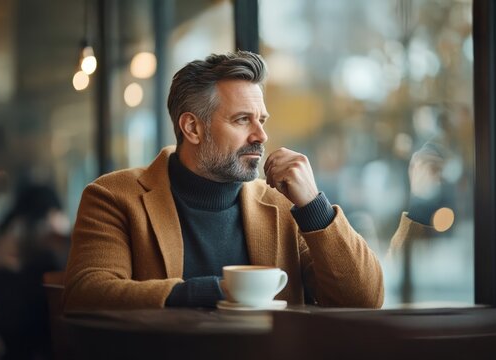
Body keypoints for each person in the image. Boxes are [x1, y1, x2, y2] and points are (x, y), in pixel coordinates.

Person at [63, 51, 383, 311]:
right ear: (192, 128)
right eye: (242, 119)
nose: (261, 136)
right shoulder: (113, 196)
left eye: (261, 120)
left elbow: (364, 300)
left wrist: (315, 206)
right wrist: (213, 293)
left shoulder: (284, 204)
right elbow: (87, 293)